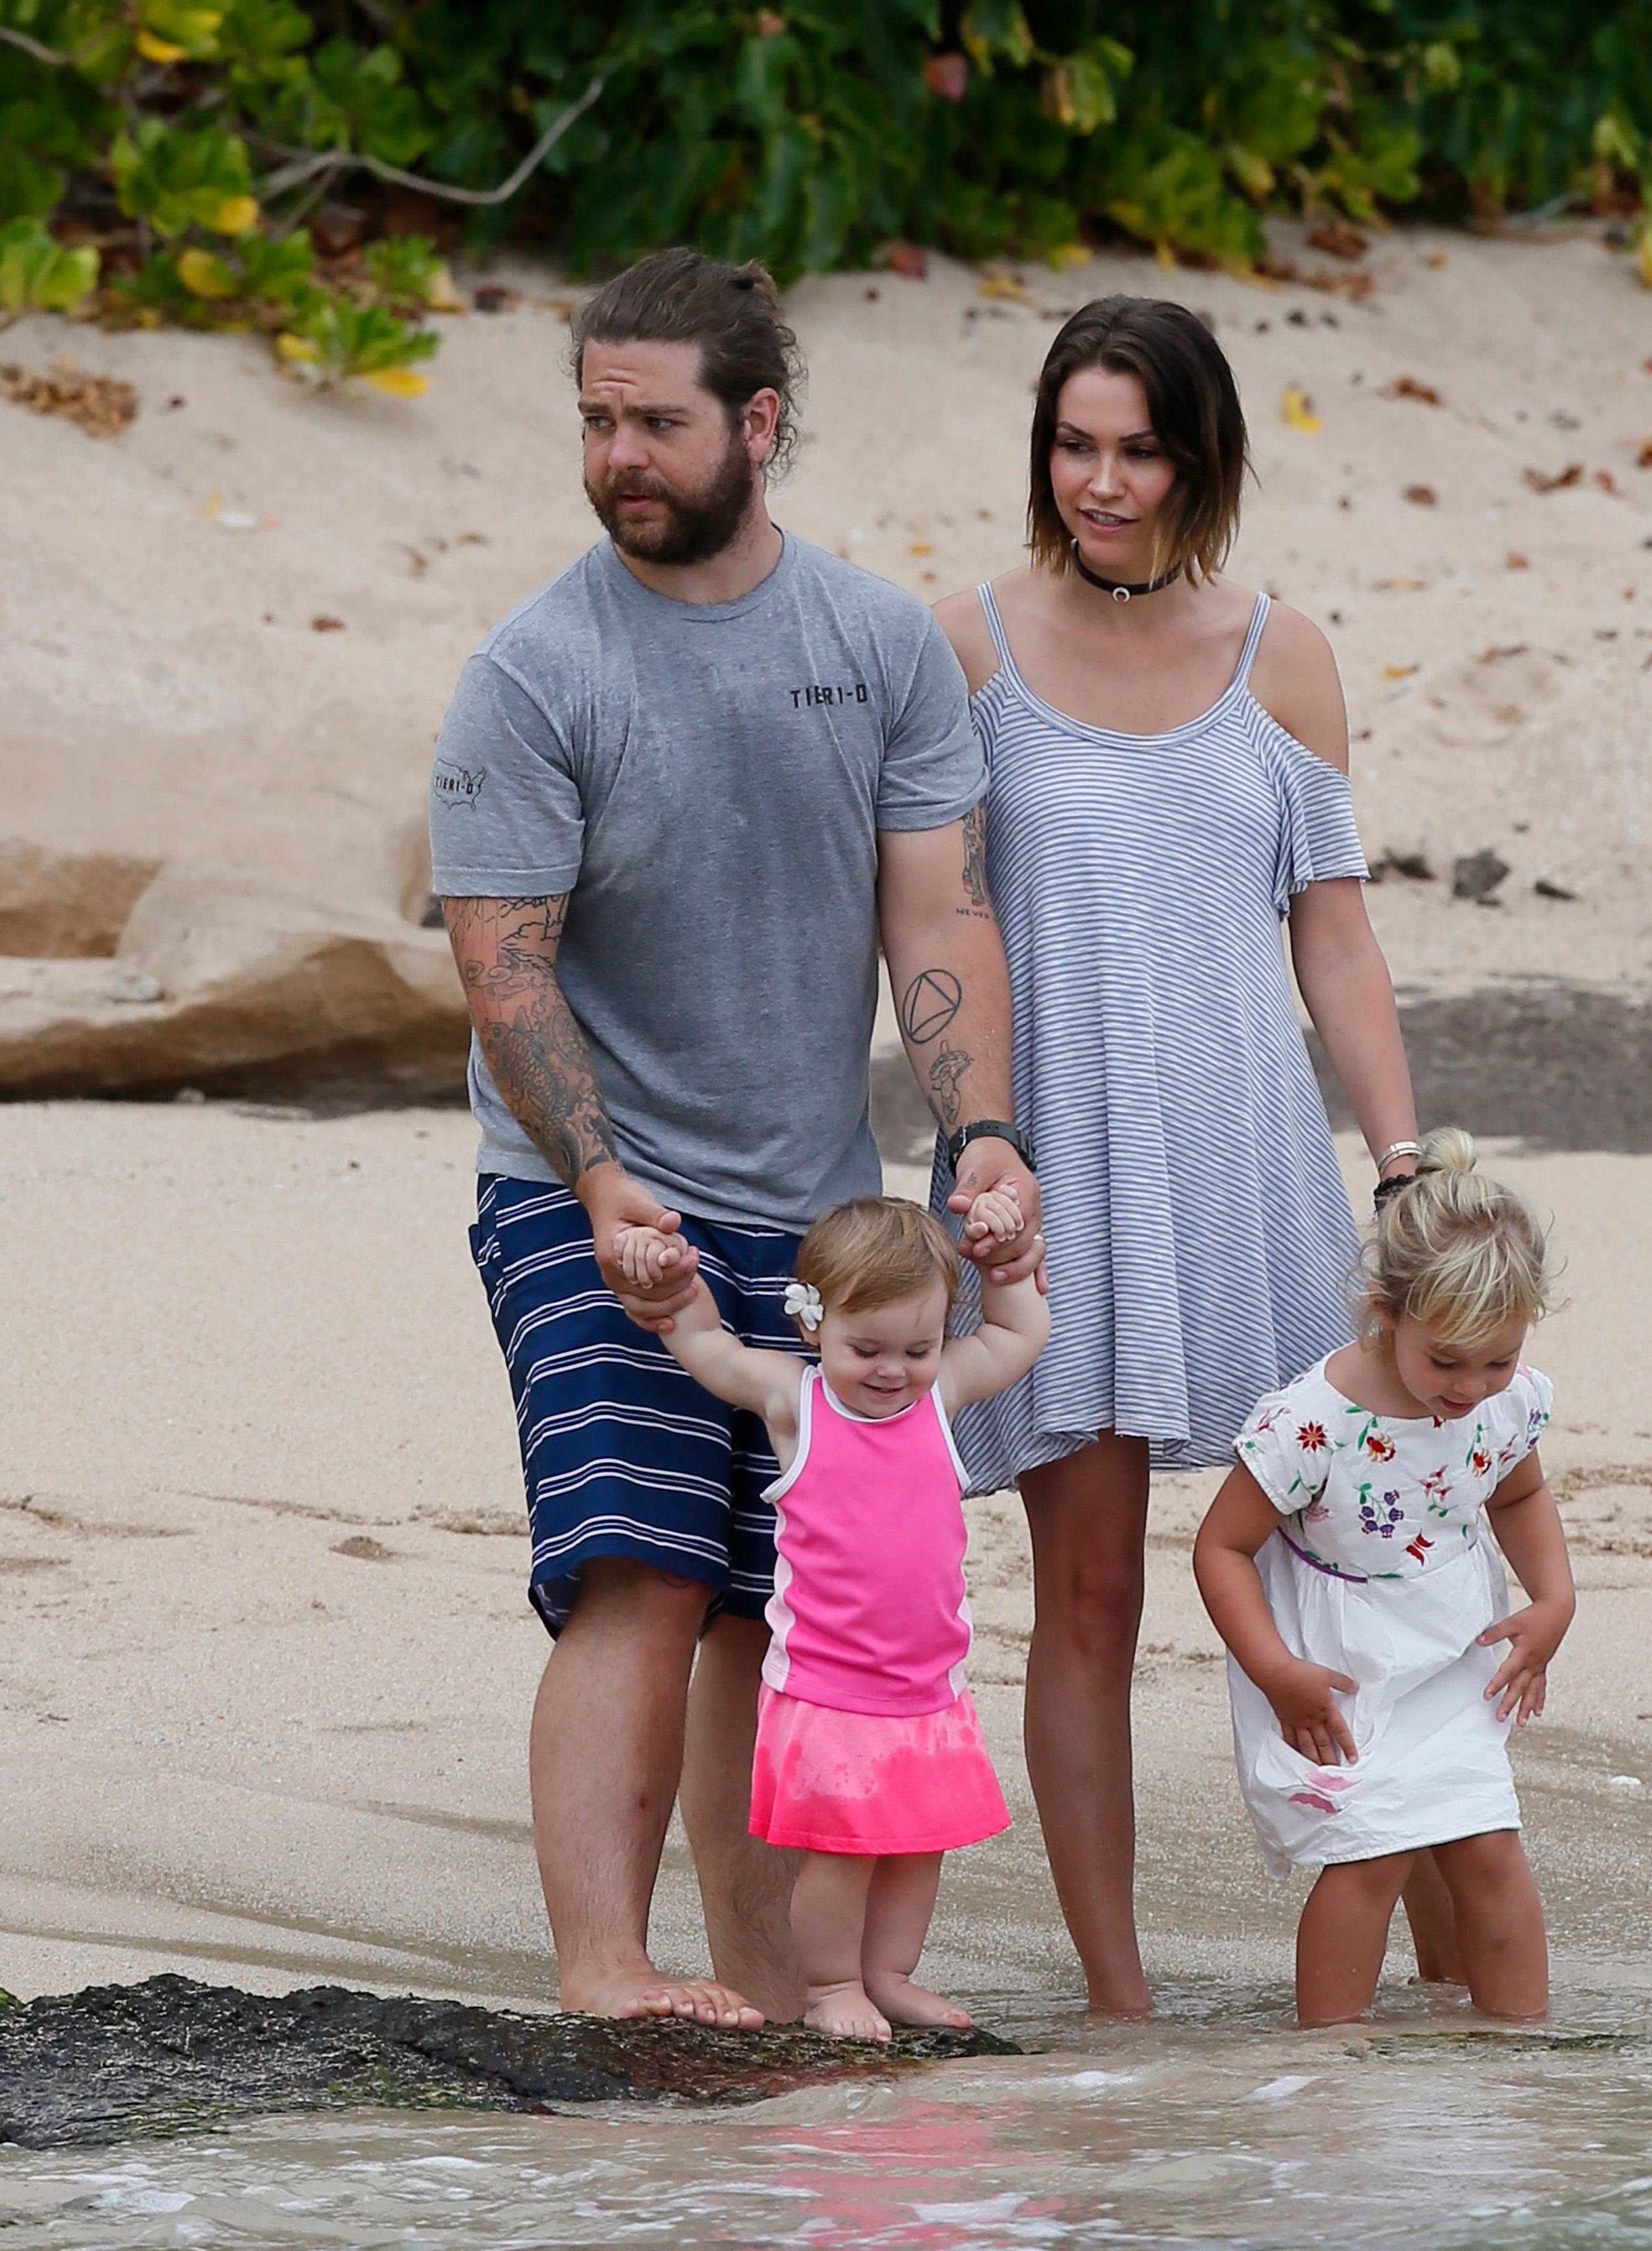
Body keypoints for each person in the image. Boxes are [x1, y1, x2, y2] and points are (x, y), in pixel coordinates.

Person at [431, 248, 1042, 2031]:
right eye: (597, 420)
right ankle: (609, 1979)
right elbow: (506, 974)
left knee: (781, 1613)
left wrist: (981, 1140)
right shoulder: (533, 674)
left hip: (817, 1209)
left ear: (757, 423)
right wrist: (611, 1189)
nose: (620, 452)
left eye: (658, 419)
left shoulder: (874, 648)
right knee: (639, 1559)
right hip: (578, 1182)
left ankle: (780, 1999)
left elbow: (939, 922)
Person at [932, 295, 1427, 2017]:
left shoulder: (1281, 656)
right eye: (1076, 443)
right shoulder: (971, 648)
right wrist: (975, 1145)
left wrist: (1406, 1162)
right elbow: (935, 922)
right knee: (1081, 1592)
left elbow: (1338, 945)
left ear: (1200, 457)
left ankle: (1432, 1959)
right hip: (1050, 1171)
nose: (1103, 479)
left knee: (1348, 1563)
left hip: (1250, 1174)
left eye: (1139, 448)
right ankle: (1120, 1996)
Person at [628, 1195, 1048, 2041]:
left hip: (929, 1684)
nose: (893, 1370)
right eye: (867, 1349)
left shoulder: (941, 1395)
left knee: (919, 1841)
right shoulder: (799, 1402)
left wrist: (1007, 1261)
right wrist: (677, 1289)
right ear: (815, 1323)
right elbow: (709, 1348)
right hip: (826, 1688)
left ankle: (888, 1974)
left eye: (917, 1349)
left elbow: (1017, 1335)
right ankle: (829, 1986)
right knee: (844, 1850)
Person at [1189, 1131, 1575, 2029]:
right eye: (1446, 1361)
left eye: (1498, 1361)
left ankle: (1524, 2053)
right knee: (1368, 1853)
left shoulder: (1501, 1405)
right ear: (1384, 1311)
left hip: (1454, 1644)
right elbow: (1220, 1549)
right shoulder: (1310, 1423)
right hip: (1338, 1664)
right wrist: (1276, 1672)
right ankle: (1326, 2071)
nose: (1472, 1387)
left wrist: (1554, 1602)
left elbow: (1521, 1492)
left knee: (1488, 1843)